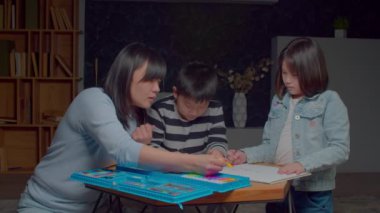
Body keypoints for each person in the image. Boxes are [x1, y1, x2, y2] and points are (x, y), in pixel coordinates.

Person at [18, 43, 226, 212]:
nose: (156, 89)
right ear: (125, 76)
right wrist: (192, 162)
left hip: (95, 207)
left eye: (159, 81)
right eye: (149, 80)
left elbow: (122, 165)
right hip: (46, 205)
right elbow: (122, 150)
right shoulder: (93, 99)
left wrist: (140, 147)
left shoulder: (136, 116)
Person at [227, 37, 350, 213]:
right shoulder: (278, 102)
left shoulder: (330, 101)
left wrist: (302, 164)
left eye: (295, 75)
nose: (288, 80)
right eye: (284, 73)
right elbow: (270, 147)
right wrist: (245, 155)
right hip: (278, 188)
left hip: (313, 194)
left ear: (312, 71)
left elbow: (340, 149)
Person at [147, 61, 228, 158]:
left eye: (201, 107)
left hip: (200, 168)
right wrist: (177, 159)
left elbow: (218, 140)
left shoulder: (214, 108)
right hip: (170, 166)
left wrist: (217, 152)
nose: (194, 113)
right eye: (188, 106)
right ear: (175, 93)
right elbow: (152, 147)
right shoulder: (160, 110)